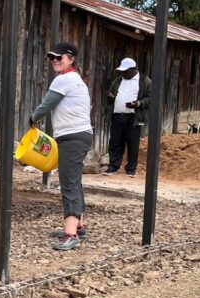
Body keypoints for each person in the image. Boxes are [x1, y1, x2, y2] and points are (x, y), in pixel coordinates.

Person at [30, 42, 93, 251]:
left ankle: (70, 233)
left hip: (72, 136)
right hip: (78, 135)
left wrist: (33, 119)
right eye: (52, 58)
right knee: (74, 180)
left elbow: (46, 105)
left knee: (68, 183)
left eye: (60, 57)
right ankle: (80, 225)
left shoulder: (64, 80)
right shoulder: (75, 80)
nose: (55, 60)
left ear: (71, 59)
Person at [104, 57, 151, 178]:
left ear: (133, 69)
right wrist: (110, 97)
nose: (123, 73)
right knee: (115, 142)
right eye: (122, 71)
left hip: (133, 117)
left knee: (132, 143)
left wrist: (138, 104)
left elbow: (151, 98)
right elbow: (112, 94)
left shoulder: (145, 81)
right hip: (118, 115)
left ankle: (131, 168)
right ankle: (113, 166)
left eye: (126, 71)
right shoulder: (118, 80)